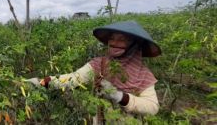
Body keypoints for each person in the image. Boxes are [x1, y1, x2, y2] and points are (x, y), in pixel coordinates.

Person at [26, 20, 161, 123]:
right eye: (112, 38)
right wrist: (42, 82)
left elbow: (152, 107)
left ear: (134, 45)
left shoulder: (144, 75)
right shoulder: (100, 64)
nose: (114, 43)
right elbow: (74, 78)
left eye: (122, 40)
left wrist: (120, 96)